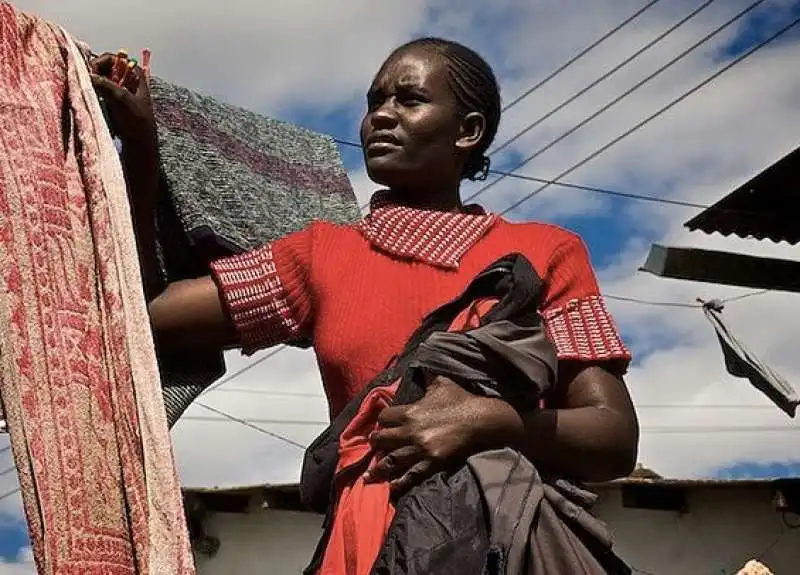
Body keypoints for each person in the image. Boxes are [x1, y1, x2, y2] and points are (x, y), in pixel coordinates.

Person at [90, 37, 639, 494]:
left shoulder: (547, 252)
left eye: (409, 100)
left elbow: (613, 438)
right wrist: (140, 144)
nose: (381, 115)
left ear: (467, 131)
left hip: (508, 540)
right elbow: (149, 314)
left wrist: (492, 422)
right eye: (375, 101)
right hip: (366, 542)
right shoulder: (319, 255)